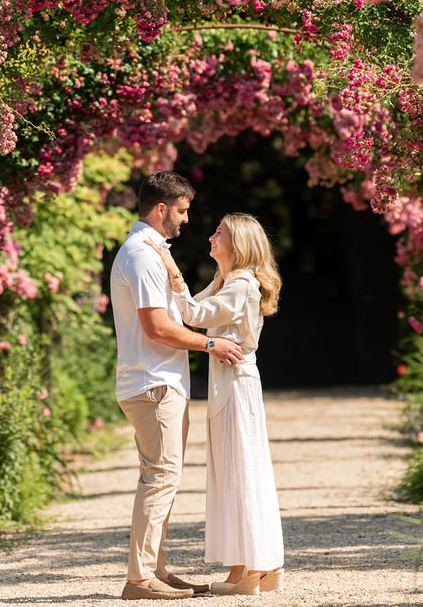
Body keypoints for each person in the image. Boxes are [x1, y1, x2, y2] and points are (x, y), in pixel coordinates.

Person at [110, 171, 246, 601]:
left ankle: (157, 568)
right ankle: (139, 579)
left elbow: (179, 312)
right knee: (159, 478)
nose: (187, 220)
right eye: (183, 211)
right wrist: (211, 343)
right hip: (153, 385)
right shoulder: (144, 256)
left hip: (158, 382)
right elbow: (157, 328)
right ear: (162, 209)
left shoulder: (151, 252)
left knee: (162, 478)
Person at [144, 212, 285, 596]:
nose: (210, 236)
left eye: (218, 233)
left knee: (240, 471)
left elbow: (192, 315)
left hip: (236, 385)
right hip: (230, 385)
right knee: (237, 471)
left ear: (237, 244)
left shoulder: (241, 284)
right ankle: (259, 565)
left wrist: (170, 268)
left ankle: (252, 568)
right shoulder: (227, 281)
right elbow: (188, 309)